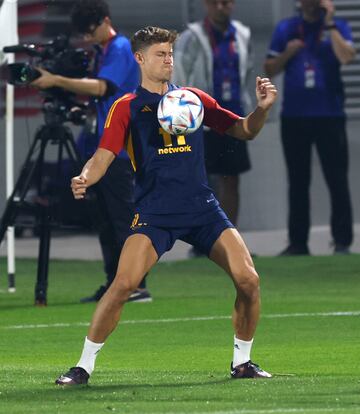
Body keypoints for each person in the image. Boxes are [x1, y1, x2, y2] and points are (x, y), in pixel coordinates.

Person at [55, 26, 277, 386]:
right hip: (155, 212)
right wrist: (85, 177)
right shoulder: (126, 107)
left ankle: (243, 362)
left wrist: (262, 109)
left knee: (249, 279)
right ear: (140, 59)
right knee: (124, 283)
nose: (168, 60)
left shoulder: (192, 99)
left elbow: (243, 130)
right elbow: (103, 155)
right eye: (160, 54)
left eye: (170, 53)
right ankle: (82, 367)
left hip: (202, 207)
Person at [31, 0, 151, 302]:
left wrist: (55, 79)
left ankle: (136, 285)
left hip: (120, 149)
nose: (87, 37)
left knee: (123, 217)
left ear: (104, 21)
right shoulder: (100, 51)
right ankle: (116, 283)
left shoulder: (121, 47)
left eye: (90, 31)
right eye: (83, 33)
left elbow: (102, 88)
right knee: (104, 219)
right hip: (100, 146)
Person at [264, 0, 355, 256]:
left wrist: (329, 23)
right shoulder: (287, 28)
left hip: (330, 115)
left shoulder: (339, 27)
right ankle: (298, 242)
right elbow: (269, 68)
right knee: (297, 180)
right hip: (295, 117)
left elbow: (347, 57)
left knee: (337, 179)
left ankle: (342, 241)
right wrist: (288, 53)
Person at [173, 0, 253, 228]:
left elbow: (246, 72)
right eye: (214, 3)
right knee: (202, 183)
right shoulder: (191, 37)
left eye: (225, 2)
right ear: (206, 5)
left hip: (233, 118)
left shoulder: (243, 35)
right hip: (202, 120)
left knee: (231, 181)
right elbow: (179, 76)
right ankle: (204, 241)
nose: (220, 7)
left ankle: (231, 240)